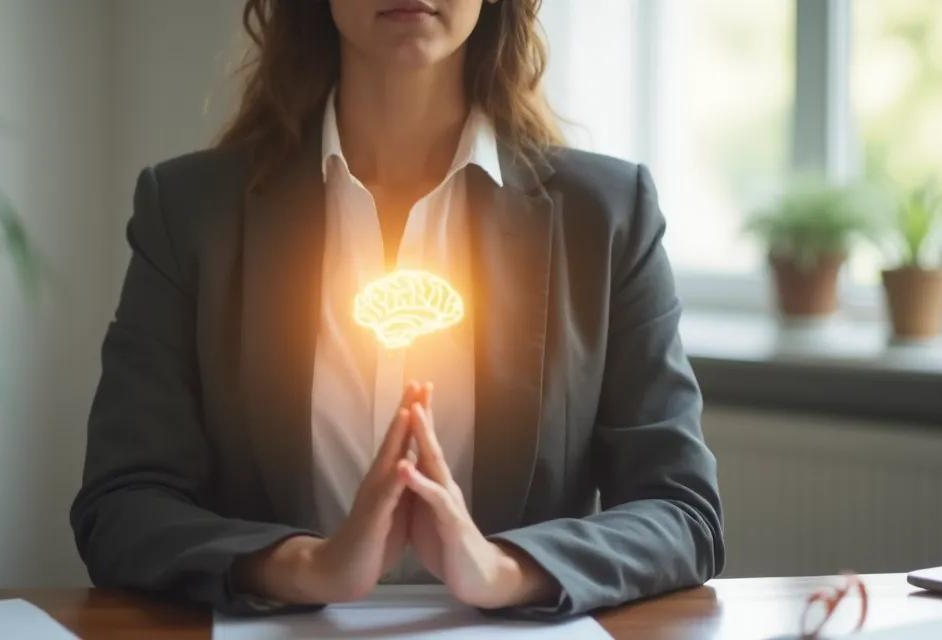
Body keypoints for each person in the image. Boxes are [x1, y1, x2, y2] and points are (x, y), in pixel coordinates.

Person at [70, 0, 724, 618]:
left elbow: (680, 508)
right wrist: (309, 567)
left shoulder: (606, 218)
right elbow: (123, 505)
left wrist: (501, 570)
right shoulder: (191, 214)